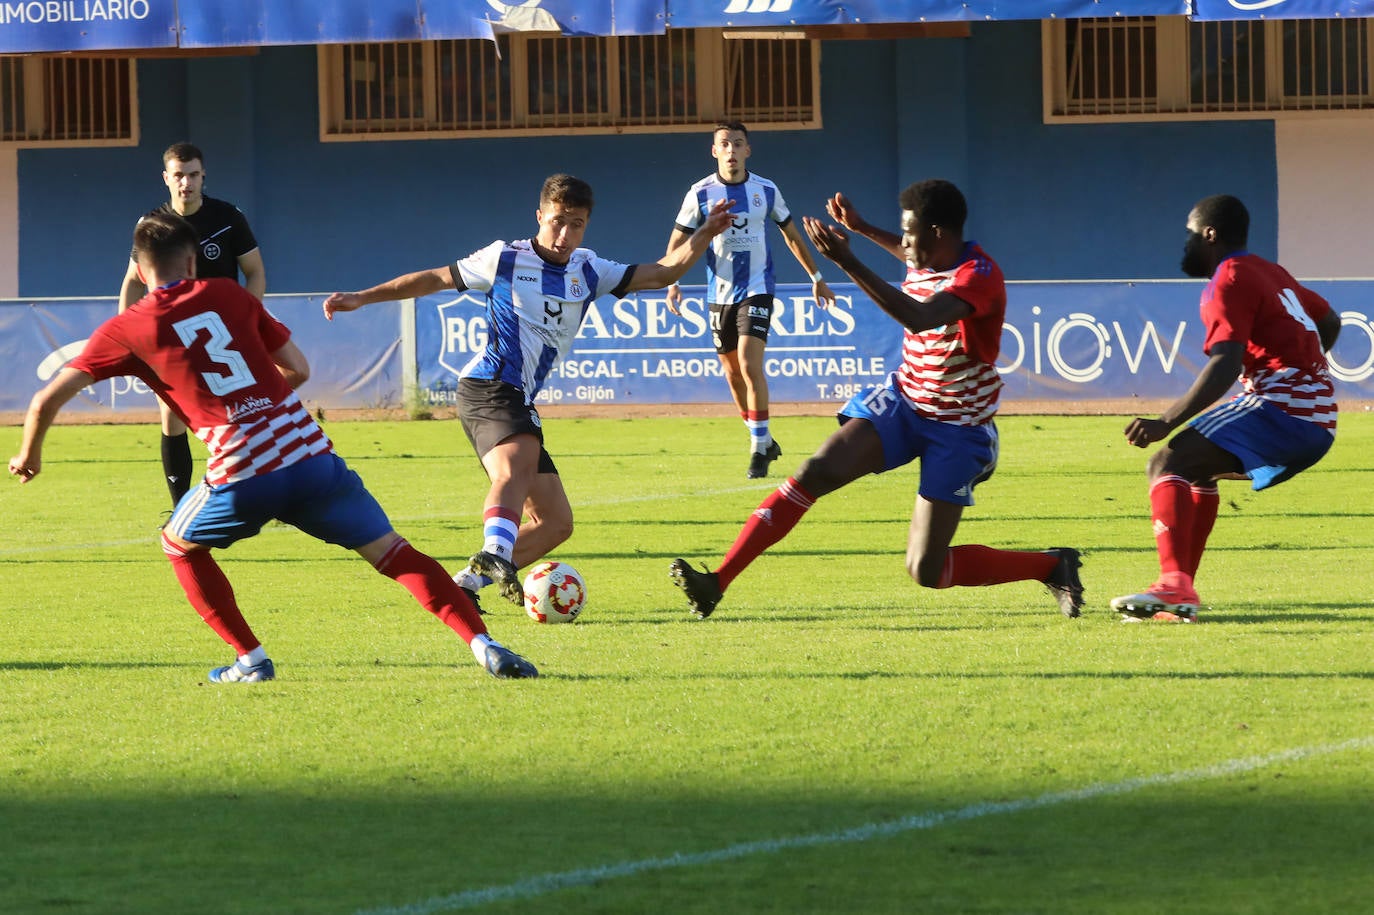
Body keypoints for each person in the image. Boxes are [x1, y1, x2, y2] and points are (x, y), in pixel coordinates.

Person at [11, 212, 536, 681]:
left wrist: (28, 455)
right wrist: (265, 408)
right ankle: (484, 645)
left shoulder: (127, 328)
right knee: (394, 554)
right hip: (312, 456)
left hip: (242, 470)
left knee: (178, 545)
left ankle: (250, 660)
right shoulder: (231, 296)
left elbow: (45, 400)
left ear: (139, 267)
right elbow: (299, 369)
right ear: (192, 260)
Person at [670, 179, 1085, 620]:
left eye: (911, 233)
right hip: (905, 403)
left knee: (927, 569)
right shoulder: (930, 253)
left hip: (959, 427)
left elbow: (919, 317)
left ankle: (1051, 565)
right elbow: (908, 256)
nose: (905, 243)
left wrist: (846, 259)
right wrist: (862, 227)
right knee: (815, 472)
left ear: (939, 234)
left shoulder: (978, 276)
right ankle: (717, 581)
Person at [324, 173, 733, 609]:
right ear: (540, 216)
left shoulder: (590, 269)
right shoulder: (503, 258)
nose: (564, 233)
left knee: (555, 523)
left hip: (520, 397)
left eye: (576, 224)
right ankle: (496, 552)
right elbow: (432, 279)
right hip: (489, 384)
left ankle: (464, 586)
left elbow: (662, 273)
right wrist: (362, 298)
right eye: (557, 221)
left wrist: (705, 233)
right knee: (514, 465)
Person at [1113, 194, 1341, 623]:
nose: (1185, 243)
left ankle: (1173, 585)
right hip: (1319, 416)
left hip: (1282, 408)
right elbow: (1330, 322)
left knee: (1166, 462)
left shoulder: (1230, 277)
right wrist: (1307, 368)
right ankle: (1179, 593)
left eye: (1189, 234)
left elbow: (1225, 362)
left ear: (1210, 234)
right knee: (1197, 468)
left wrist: (1164, 422)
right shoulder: (1272, 272)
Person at [665, 121, 837, 479]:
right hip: (719, 294)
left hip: (758, 288)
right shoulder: (699, 194)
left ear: (748, 150)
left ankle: (758, 451)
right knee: (731, 373)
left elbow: (791, 236)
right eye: (724, 144)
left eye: (737, 144)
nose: (731, 150)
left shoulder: (766, 190)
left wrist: (816, 278)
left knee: (747, 360)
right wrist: (672, 280)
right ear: (715, 151)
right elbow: (678, 240)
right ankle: (764, 438)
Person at [118, 142, 267, 511]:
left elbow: (255, 272)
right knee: (172, 414)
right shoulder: (151, 225)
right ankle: (180, 509)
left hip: (222, 335)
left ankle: (262, 497)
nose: (187, 183)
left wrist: (248, 320)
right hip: (169, 335)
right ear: (167, 178)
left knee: (242, 412)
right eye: (180, 175)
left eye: (194, 175)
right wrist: (127, 333)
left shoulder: (228, 217)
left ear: (204, 176)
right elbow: (134, 281)